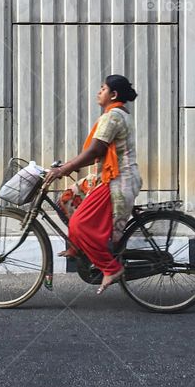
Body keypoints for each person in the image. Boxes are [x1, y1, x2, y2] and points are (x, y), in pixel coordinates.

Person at [46, 74, 142, 294]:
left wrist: (64, 169)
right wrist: (67, 168)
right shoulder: (116, 114)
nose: (99, 92)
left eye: (103, 88)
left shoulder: (113, 117)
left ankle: (111, 268)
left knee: (79, 224)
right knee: (68, 198)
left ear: (114, 95)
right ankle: (78, 245)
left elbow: (95, 151)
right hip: (110, 176)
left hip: (118, 181)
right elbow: (94, 154)